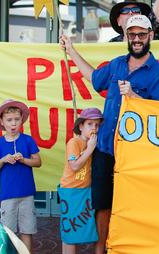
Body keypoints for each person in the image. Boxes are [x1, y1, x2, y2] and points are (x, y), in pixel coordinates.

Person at [60, 15, 159, 254]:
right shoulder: (117, 64)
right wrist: (71, 50)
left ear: (151, 36)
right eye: (132, 35)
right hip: (105, 148)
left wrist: (135, 98)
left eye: (142, 34)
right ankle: (101, 249)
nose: (137, 39)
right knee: (102, 202)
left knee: (131, 204)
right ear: (127, 38)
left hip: (135, 155)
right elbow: (94, 78)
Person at [0, 100, 41, 252]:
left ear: (21, 120)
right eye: (9, 120)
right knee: (9, 232)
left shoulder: (27, 140)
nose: (13, 123)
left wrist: (23, 159)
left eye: (17, 119)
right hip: (8, 195)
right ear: (2, 122)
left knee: (27, 231)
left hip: (27, 194)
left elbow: (38, 162)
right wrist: (3, 160)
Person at [60, 107, 102, 254]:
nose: (94, 128)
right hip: (71, 191)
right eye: (90, 124)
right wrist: (90, 149)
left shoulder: (92, 143)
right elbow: (75, 165)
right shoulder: (74, 142)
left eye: (97, 125)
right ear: (81, 126)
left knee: (74, 231)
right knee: (70, 231)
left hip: (83, 191)